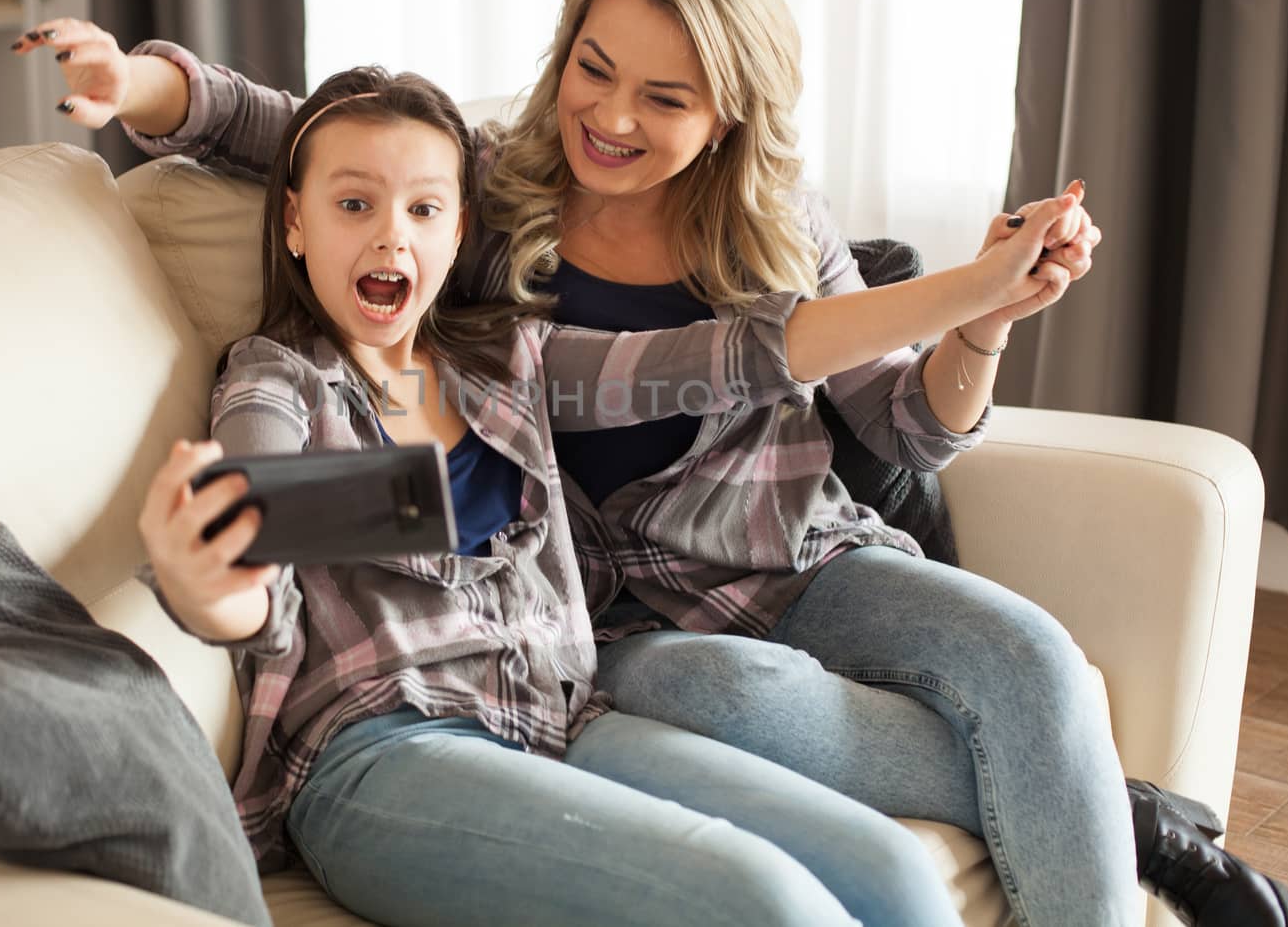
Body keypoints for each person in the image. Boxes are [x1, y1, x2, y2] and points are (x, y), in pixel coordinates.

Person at [16, 0, 1288, 927]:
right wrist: (144, 84)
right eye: (594, 69)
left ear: (727, 110)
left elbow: (800, 383)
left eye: (666, 96)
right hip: (586, 647)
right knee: (756, 716)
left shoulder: (531, 357)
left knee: (1031, 672)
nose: (614, 116)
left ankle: (1106, 812)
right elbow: (306, 162)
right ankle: (1107, 806)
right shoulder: (378, 295)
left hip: (731, 601)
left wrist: (985, 312)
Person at [131, 64, 1060, 927]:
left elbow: (729, 357)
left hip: (559, 723)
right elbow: (259, 538)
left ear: (458, 235)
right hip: (384, 752)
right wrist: (214, 574)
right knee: (764, 900)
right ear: (296, 222)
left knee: (890, 874)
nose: (389, 234)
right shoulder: (277, 381)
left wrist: (975, 296)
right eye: (353, 204)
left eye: (422, 209)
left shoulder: (512, 364)